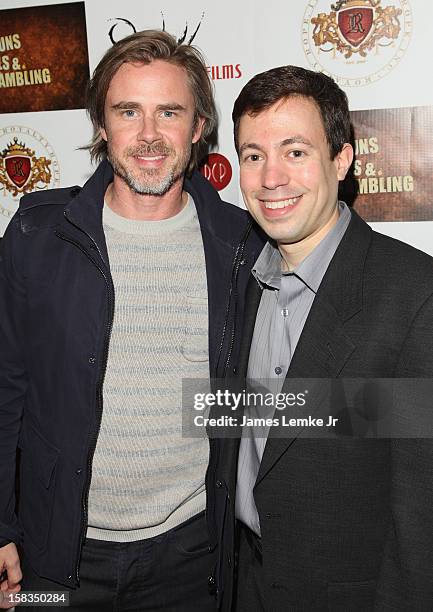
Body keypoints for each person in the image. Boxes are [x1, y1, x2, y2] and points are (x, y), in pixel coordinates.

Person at [0, 30, 264, 611]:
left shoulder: (242, 244)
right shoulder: (39, 235)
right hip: (55, 559)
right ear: (100, 125)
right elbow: (5, 389)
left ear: (198, 129)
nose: (148, 135)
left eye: (169, 112)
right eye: (128, 112)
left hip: (193, 554)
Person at [206, 65, 433, 611]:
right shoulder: (239, 281)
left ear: (342, 159)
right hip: (239, 585)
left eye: (296, 152)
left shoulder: (413, 294)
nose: (270, 178)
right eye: (253, 155)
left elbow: (419, 516)